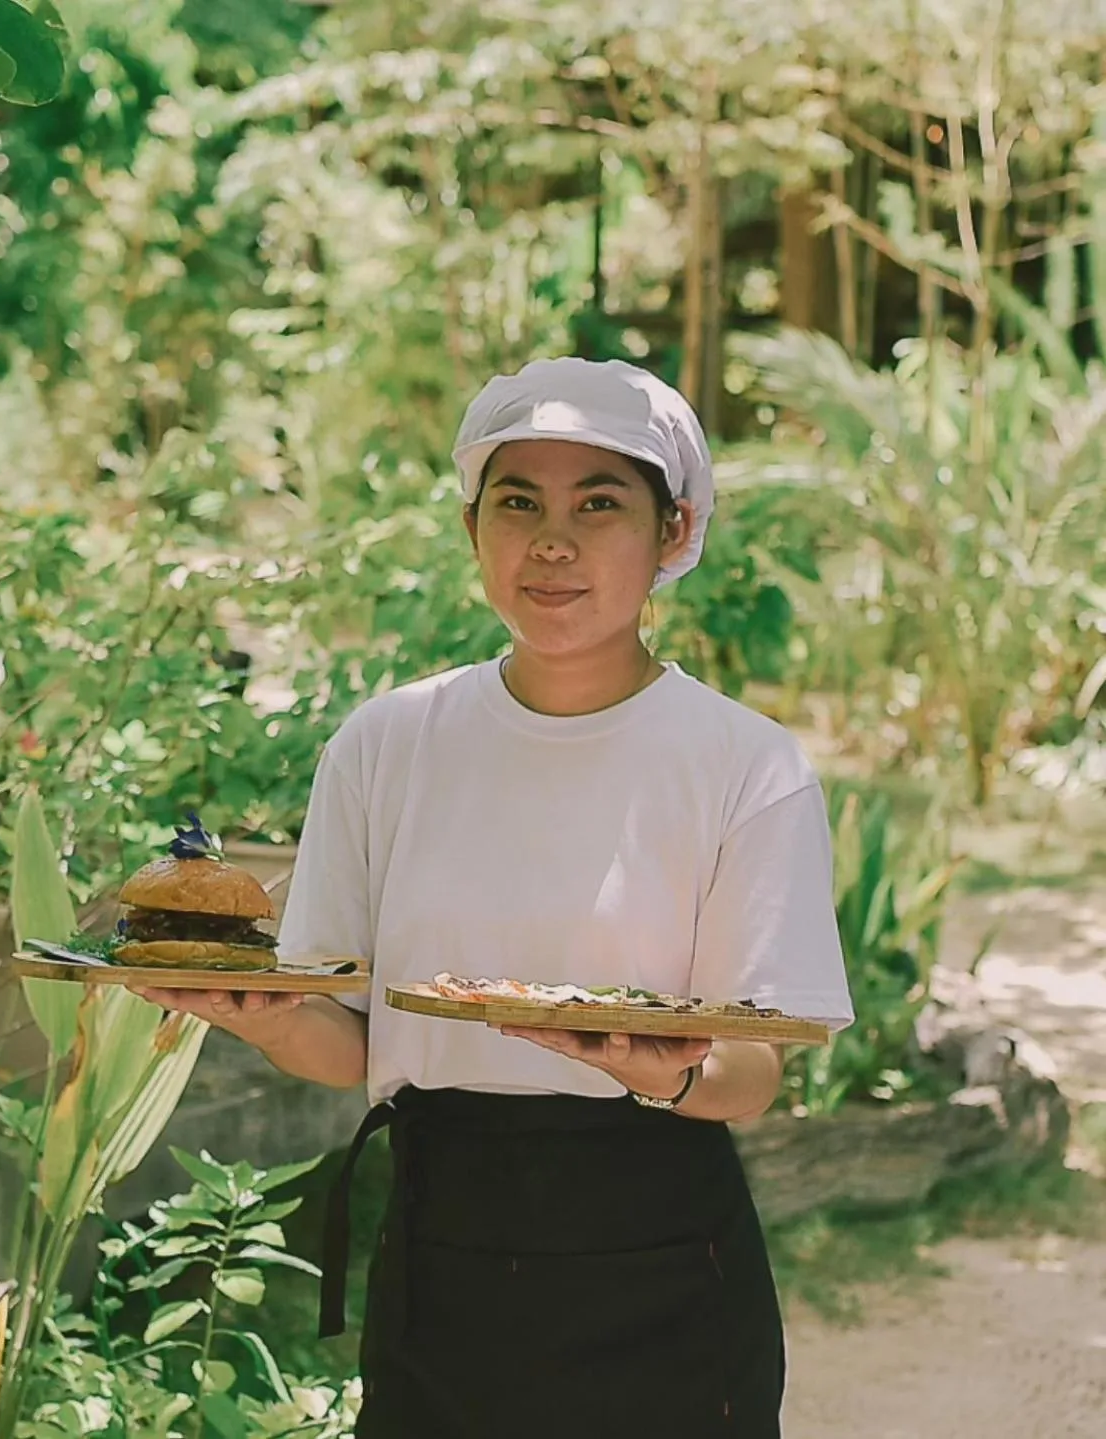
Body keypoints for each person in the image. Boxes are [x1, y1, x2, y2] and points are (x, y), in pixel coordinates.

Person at [127, 357, 855, 1438]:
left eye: (598, 504)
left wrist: (673, 1066)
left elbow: (752, 1071)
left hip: (663, 1245)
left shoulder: (744, 763)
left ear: (672, 530)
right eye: (518, 503)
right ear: (475, 528)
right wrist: (267, 1017)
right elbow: (350, 1040)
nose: (551, 542)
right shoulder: (389, 743)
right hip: (444, 1241)